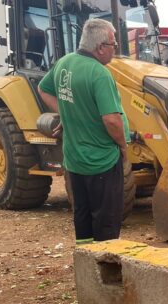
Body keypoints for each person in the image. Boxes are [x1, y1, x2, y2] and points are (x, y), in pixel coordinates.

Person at [38, 18, 129, 244]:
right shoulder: (99, 73)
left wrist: (68, 113)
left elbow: (43, 88)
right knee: (106, 222)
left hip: (75, 162)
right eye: (113, 45)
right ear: (100, 47)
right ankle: (106, 269)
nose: (115, 49)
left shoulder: (64, 63)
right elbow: (111, 120)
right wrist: (123, 146)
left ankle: (86, 265)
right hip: (102, 162)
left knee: (83, 216)